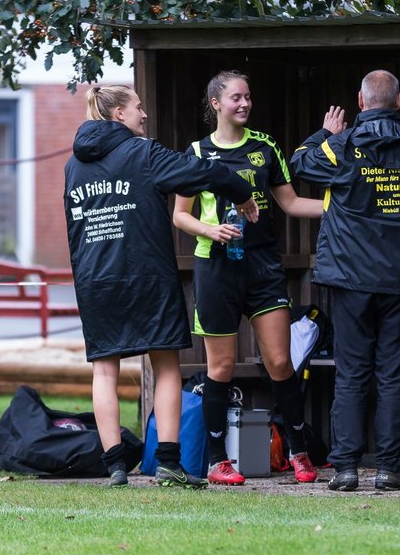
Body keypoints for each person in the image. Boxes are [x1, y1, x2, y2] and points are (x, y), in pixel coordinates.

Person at [65, 85, 259, 488]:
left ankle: (115, 465)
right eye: (138, 107)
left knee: (105, 369)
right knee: (166, 363)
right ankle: (169, 464)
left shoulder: (73, 165)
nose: (144, 115)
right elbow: (201, 171)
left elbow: (74, 229)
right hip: (146, 275)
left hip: (95, 280)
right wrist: (240, 191)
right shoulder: (144, 153)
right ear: (119, 114)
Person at [291, 70, 400, 491]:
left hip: (350, 278)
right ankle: (389, 469)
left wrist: (324, 132)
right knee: (394, 373)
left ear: (360, 104)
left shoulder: (339, 147)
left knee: (352, 372)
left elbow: (299, 162)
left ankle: (344, 469)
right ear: (399, 101)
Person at [172, 71, 324, 486]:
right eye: (236, 98)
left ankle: (300, 452)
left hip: (262, 265)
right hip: (215, 267)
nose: (244, 104)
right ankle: (219, 461)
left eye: (248, 97)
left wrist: (340, 206)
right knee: (219, 367)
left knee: (279, 361)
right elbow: (179, 214)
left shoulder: (265, 146)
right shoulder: (197, 152)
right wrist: (210, 230)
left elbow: (290, 203)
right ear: (216, 104)